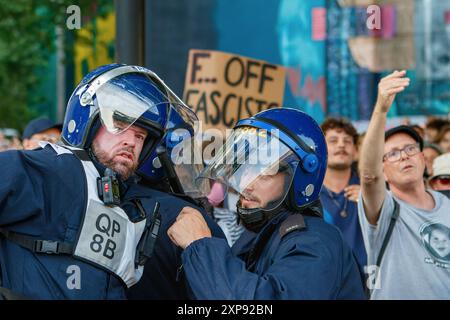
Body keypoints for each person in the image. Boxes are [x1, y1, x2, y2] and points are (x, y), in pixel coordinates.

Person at [0, 63, 223, 299]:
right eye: (119, 126)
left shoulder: (130, 204)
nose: (131, 142)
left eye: (140, 136)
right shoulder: (51, 168)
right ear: (89, 123)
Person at [167, 108, 366, 299]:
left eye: (263, 172)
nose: (246, 184)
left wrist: (200, 245)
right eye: (243, 169)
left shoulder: (316, 241)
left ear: (297, 180)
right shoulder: (257, 236)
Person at [358, 70, 450, 299]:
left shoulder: (447, 204)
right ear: (384, 172)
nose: (404, 157)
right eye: (392, 154)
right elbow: (369, 175)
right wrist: (380, 109)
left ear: (423, 159)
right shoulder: (384, 209)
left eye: (410, 149)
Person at [320, 117, 367, 273]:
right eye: (333, 141)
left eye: (347, 141)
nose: (341, 145)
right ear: (320, 148)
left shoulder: (372, 190)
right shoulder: (306, 194)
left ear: (355, 151)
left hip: (368, 284)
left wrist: (374, 200)